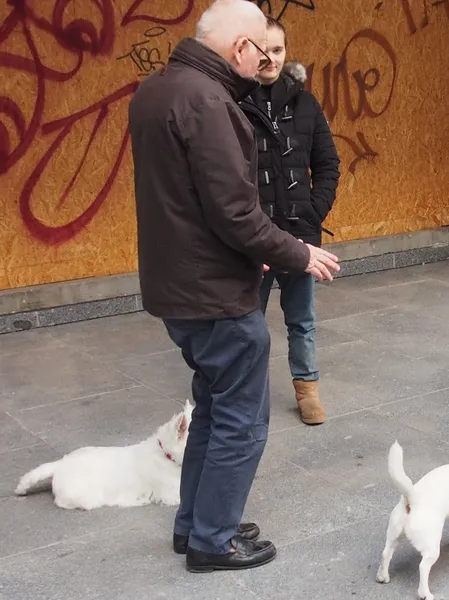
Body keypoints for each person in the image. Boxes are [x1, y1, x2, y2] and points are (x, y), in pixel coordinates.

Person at [128, 0, 340, 573]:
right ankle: (212, 540)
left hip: (180, 286)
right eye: (260, 50)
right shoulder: (210, 102)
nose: (265, 60)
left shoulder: (157, 90)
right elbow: (236, 214)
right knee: (241, 419)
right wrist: (298, 252)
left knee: (213, 405)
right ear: (240, 47)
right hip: (215, 293)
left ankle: (194, 525)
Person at [239, 17, 341, 426]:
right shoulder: (232, 105)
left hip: (300, 237)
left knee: (302, 320)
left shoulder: (306, 104)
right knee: (247, 324)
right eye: (263, 50)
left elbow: (328, 163)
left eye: (278, 50)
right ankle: (245, 395)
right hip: (252, 240)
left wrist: (314, 211)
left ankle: (307, 388)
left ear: (286, 52)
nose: (270, 59)